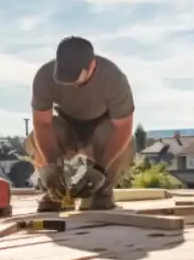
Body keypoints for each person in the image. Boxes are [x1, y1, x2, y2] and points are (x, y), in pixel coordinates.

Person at [24, 36, 135, 212]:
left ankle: (101, 193)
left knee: (121, 139)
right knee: (38, 135)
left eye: (75, 78)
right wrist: (52, 166)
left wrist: (100, 168)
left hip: (100, 129)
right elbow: (43, 124)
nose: (70, 84)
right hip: (68, 126)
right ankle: (56, 192)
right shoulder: (44, 76)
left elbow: (123, 128)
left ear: (91, 66)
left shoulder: (114, 78)